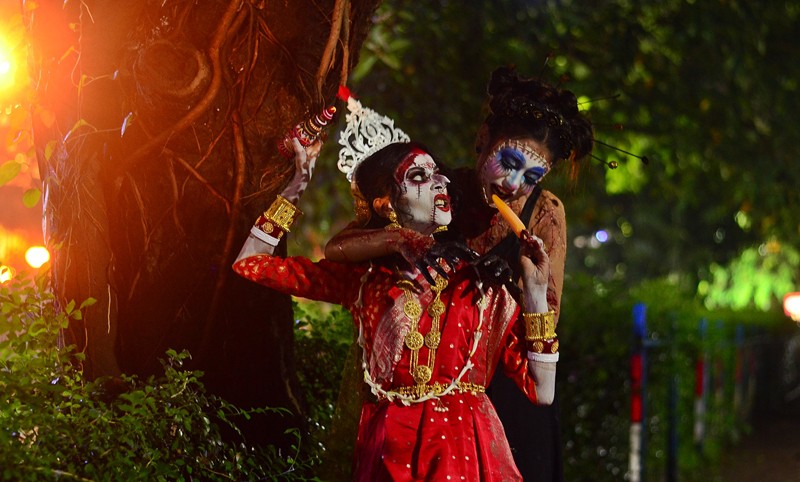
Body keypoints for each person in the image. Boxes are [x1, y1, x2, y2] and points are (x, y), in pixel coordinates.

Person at [234, 120, 560, 480]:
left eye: (439, 175)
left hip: (462, 452)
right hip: (387, 451)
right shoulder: (365, 279)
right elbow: (250, 263)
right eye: (420, 177)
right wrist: (297, 184)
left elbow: (542, 390)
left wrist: (534, 292)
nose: (441, 182)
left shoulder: (480, 284)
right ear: (386, 204)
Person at [325, 66, 594, 480]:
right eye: (508, 162)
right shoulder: (437, 188)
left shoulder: (545, 212)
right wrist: (410, 242)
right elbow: (342, 248)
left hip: (510, 401)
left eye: (532, 177)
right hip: (421, 406)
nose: (513, 184)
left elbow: (544, 326)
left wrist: (514, 288)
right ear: (482, 139)